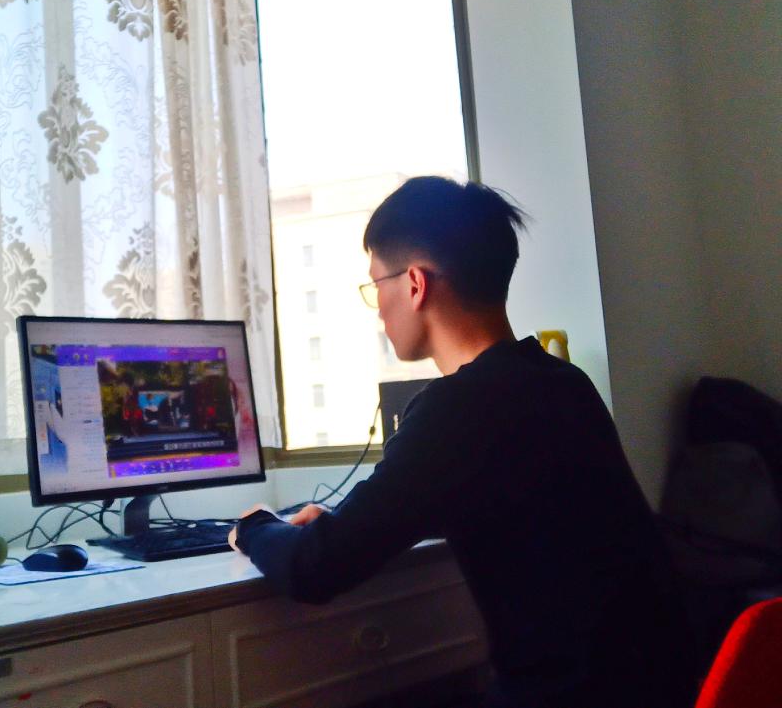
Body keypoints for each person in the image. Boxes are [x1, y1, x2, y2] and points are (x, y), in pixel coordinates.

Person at [229, 176, 693, 708]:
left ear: (415, 284)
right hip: (661, 684)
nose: (378, 308)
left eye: (376, 285)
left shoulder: (458, 408)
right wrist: (348, 519)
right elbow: (511, 499)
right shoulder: (563, 381)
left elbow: (314, 570)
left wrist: (254, 526)